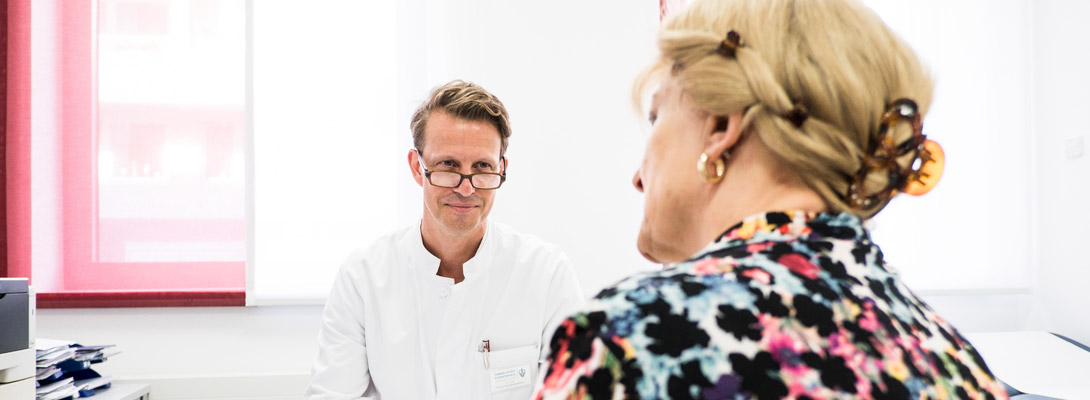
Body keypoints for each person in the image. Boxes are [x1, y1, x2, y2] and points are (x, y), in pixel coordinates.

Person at [533, 0, 1007, 398]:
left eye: (657, 116)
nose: (638, 177)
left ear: (721, 126)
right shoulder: (953, 359)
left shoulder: (627, 341)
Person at [306, 80, 584, 399]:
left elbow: (575, 392)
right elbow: (331, 394)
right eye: (448, 166)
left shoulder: (546, 273)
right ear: (416, 166)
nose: (466, 188)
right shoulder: (364, 276)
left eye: (482, 167)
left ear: (502, 169)